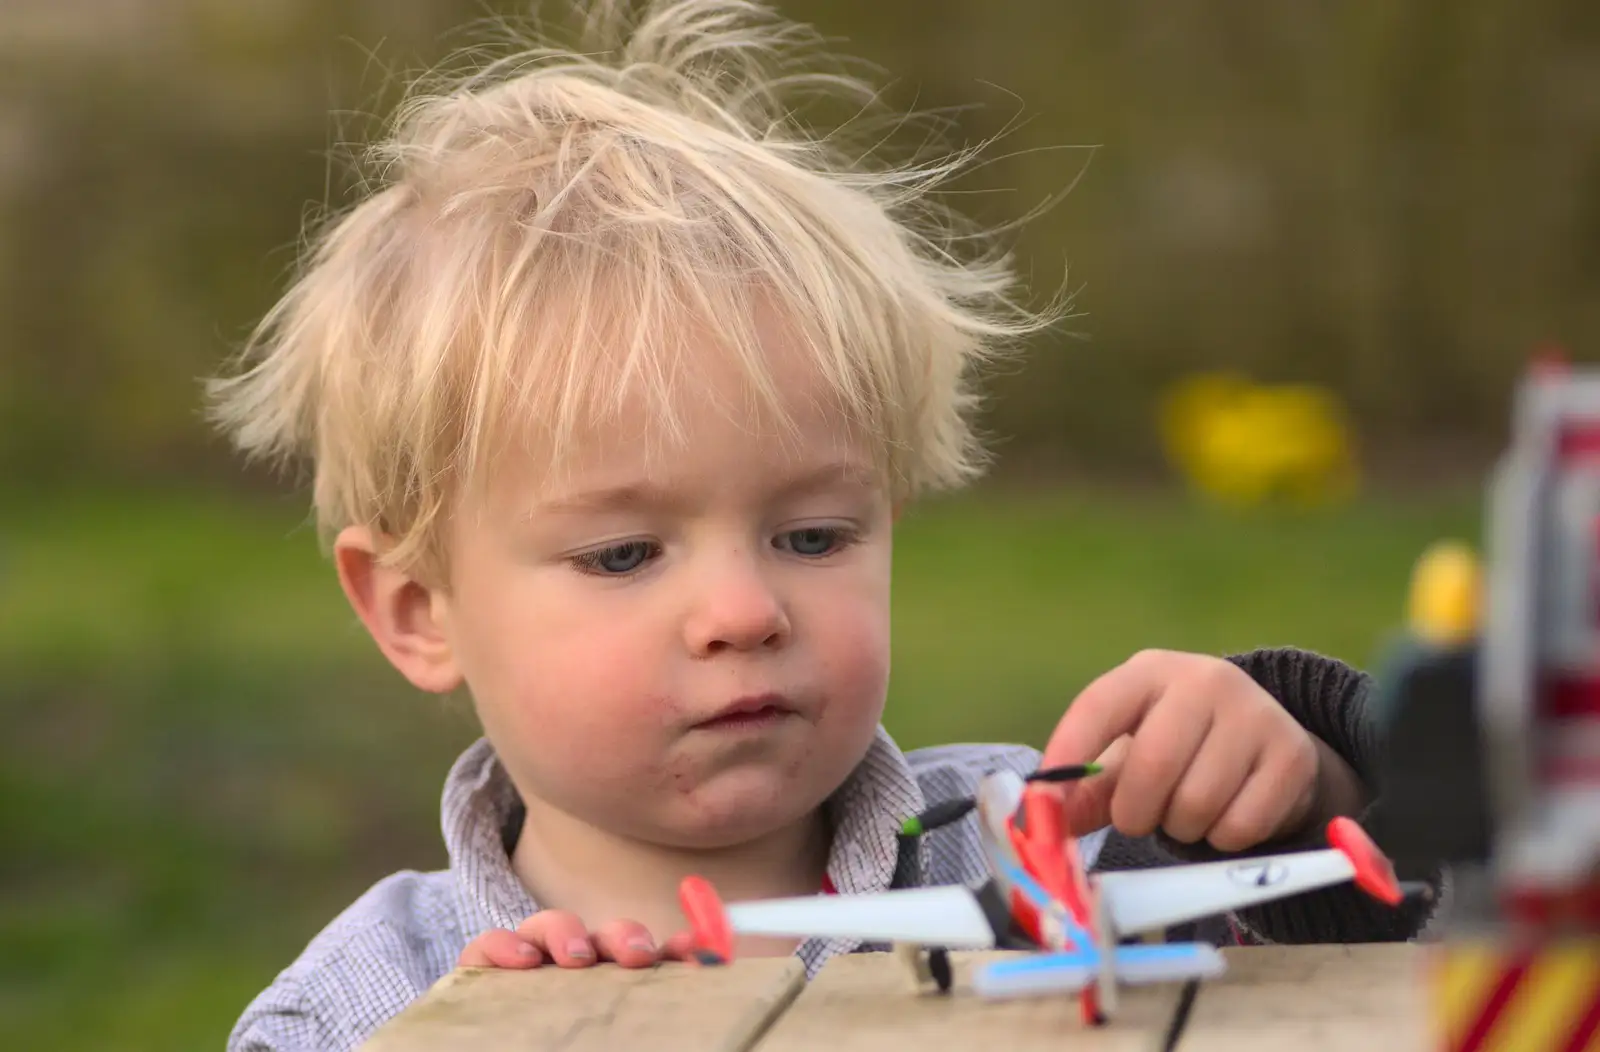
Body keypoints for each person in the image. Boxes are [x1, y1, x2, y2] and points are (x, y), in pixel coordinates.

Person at [206, 2, 1444, 1048]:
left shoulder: (1055, 838)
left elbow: (1419, 969)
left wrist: (1299, 790)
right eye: (623, 553)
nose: (746, 612)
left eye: (812, 535)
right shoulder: (353, 1013)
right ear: (419, 611)